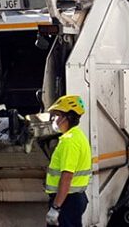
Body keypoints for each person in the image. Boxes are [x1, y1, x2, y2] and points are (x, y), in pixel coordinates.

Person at [44, 95, 92, 227]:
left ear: (68, 117)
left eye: (57, 115)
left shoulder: (69, 142)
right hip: (73, 199)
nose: (54, 119)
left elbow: (67, 177)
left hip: (66, 201)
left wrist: (56, 207)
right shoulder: (78, 136)